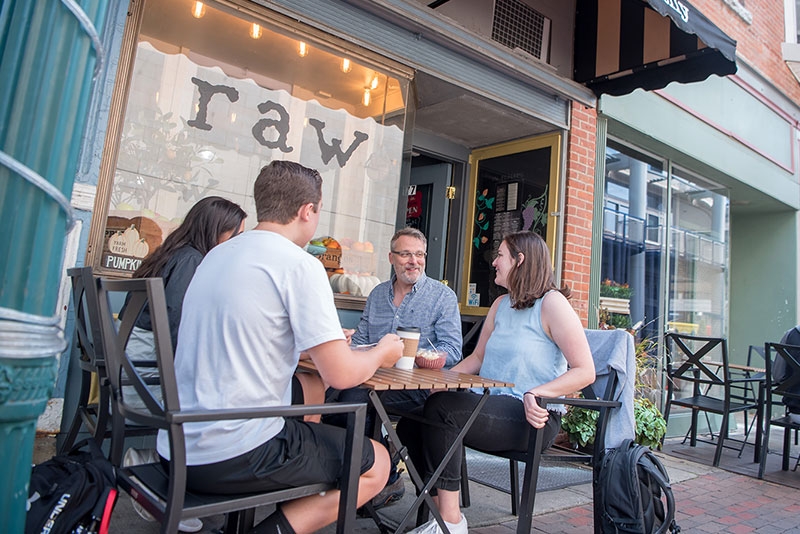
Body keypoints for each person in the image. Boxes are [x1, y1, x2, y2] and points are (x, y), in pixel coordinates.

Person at [155, 160, 404, 534]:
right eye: (318, 211)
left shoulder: (216, 255)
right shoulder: (299, 265)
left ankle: (286, 492)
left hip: (173, 445)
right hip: (231, 454)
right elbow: (342, 373)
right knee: (378, 463)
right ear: (307, 211)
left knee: (307, 391)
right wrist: (384, 351)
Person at [398, 231, 596, 534]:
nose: (494, 262)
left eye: (500, 255)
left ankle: (451, 523)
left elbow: (585, 370)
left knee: (443, 411)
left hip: (532, 417)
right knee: (412, 422)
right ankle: (438, 512)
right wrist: (443, 379)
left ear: (519, 260)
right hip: (490, 404)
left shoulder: (552, 304)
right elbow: (477, 358)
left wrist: (538, 393)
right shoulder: (502, 304)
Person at [120, 195, 246, 533]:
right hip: (146, 383)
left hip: (132, 375)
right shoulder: (190, 262)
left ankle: (172, 475)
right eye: (234, 234)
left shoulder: (171, 254)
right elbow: (177, 327)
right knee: (225, 398)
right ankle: (170, 482)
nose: (235, 243)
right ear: (216, 230)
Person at [327, 227, 462, 508]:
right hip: (370, 379)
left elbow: (452, 351)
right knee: (330, 399)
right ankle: (354, 476)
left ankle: (380, 478)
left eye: (419, 255)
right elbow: (363, 340)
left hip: (415, 388)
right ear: (391, 257)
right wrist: (349, 342)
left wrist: (418, 357)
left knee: (352, 402)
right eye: (406, 254)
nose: (414, 261)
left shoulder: (441, 296)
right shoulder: (377, 294)